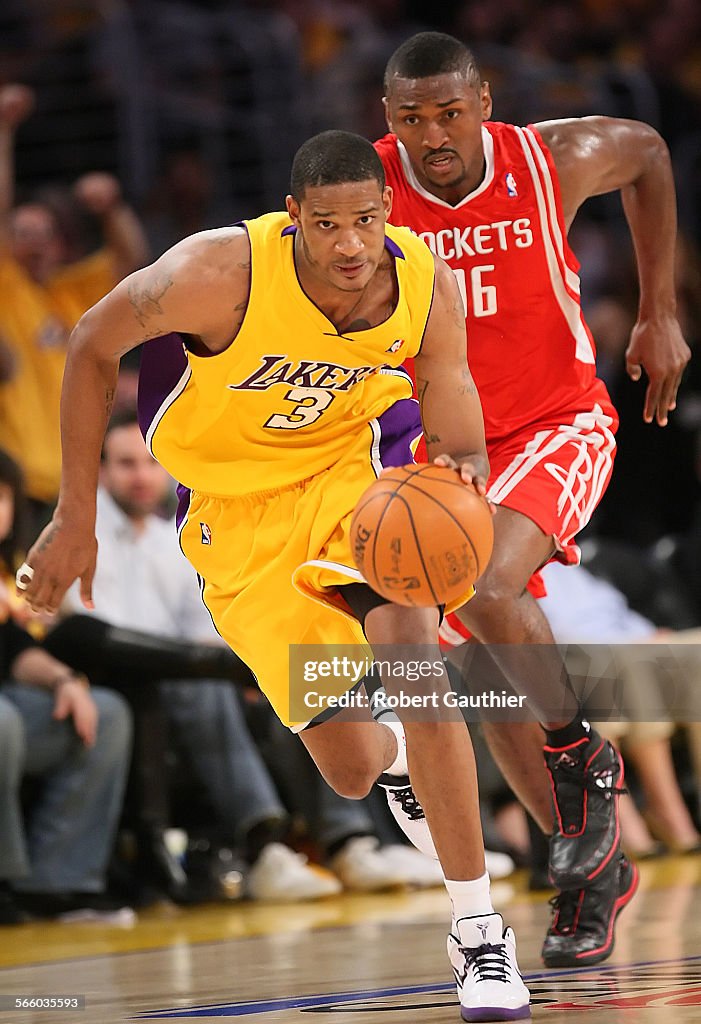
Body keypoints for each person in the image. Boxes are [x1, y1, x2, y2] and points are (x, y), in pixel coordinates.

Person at [19, 130, 530, 1021]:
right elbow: (93, 346)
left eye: (366, 220)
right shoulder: (218, 271)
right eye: (326, 223)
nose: (348, 243)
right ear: (292, 218)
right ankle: (401, 757)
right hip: (232, 514)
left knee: (411, 649)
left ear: (386, 215)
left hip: (352, 471)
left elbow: (446, 380)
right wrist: (74, 513)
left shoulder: (422, 279)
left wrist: (466, 467)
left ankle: (478, 932)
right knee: (353, 771)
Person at [375, 30, 690, 966]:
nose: (432, 134)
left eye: (448, 112)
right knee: (484, 675)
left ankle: (583, 757)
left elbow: (651, 152)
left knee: (477, 584)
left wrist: (657, 307)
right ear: (384, 121)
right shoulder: (366, 192)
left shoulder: (547, 159)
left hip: (558, 423)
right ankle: (585, 865)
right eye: (409, 118)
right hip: (442, 459)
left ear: (483, 101)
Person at [0, 82, 149, 522]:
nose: (35, 243)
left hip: (76, 488)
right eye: (22, 233)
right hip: (16, 484)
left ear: (62, 243)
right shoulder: (7, 288)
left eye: (45, 234)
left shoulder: (71, 294)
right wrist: (4, 132)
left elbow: (132, 261)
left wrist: (112, 208)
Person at [0, 448, 133, 925]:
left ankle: (58, 883)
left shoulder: (15, 566)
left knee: (109, 710)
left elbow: (11, 646)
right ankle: (6, 882)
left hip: (17, 708)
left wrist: (64, 680)